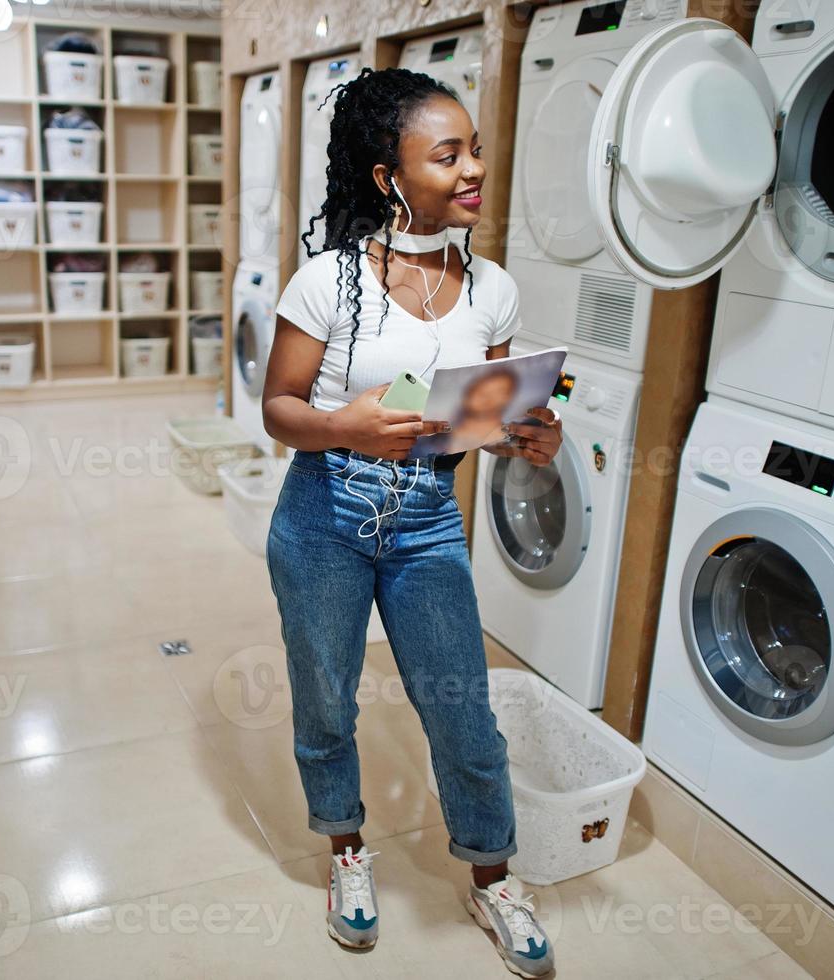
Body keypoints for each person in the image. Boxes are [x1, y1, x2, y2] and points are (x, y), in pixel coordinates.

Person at [261, 66, 562, 978]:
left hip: (429, 517)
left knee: (462, 711)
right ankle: (345, 850)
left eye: (474, 149)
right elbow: (276, 408)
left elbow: (497, 410)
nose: (473, 168)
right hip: (323, 510)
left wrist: (530, 438)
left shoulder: (492, 290)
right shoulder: (325, 281)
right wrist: (340, 424)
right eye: (448, 155)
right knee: (326, 701)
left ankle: (492, 876)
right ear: (390, 177)